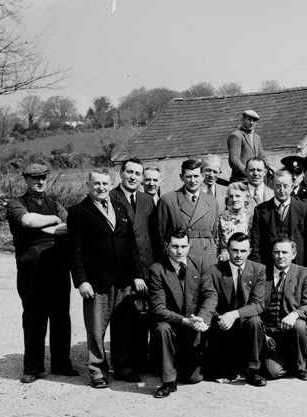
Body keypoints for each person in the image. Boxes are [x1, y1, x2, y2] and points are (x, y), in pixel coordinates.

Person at [68, 169, 146, 388]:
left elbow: (132, 246)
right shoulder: (78, 212)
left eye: (105, 184)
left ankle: (123, 367)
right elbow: (75, 251)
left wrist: (138, 275)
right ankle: (98, 371)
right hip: (96, 282)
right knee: (96, 329)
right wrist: (81, 280)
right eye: (96, 184)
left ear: (111, 184)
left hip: (123, 280)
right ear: (88, 185)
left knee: (123, 327)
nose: (101, 188)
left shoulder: (120, 208)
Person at [6, 163, 76, 383]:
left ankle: (61, 364)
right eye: (35, 178)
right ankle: (33, 368)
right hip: (31, 271)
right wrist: (54, 221)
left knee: (61, 318)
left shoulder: (54, 203)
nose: (41, 182)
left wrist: (51, 224)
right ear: (26, 180)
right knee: (35, 317)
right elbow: (26, 221)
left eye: (44, 177)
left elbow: (71, 225)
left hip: (57, 268)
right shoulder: (16, 204)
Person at [148, 228, 217, 398]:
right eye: (175, 246)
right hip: (172, 325)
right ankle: (168, 381)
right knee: (162, 328)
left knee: (191, 378)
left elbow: (210, 294)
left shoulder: (199, 263)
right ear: (166, 246)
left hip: (194, 325)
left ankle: (179, 364)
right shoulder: (157, 269)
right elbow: (158, 308)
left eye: (184, 246)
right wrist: (184, 321)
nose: (180, 251)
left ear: (189, 245)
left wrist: (202, 318)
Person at [109, 158, 157, 374]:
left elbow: (154, 235)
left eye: (138, 174)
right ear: (121, 173)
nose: (133, 177)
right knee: (122, 318)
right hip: (122, 267)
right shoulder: (110, 197)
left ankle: (139, 361)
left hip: (147, 266)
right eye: (129, 172)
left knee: (143, 317)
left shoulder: (147, 199)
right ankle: (122, 365)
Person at [207, 232, 267, 386]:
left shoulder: (258, 269)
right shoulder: (214, 271)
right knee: (222, 372)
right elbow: (208, 302)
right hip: (222, 325)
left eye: (243, 251)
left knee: (255, 321)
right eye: (234, 250)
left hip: (244, 323)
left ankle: (253, 371)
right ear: (228, 249)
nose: (238, 255)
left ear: (250, 251)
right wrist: (221, 318)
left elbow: (258, 304)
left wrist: (234, 315)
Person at [260, 234, 307, 381]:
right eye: (277, 252)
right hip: (270, 335)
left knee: (299, 324)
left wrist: (294, 314)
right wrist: (263, 335)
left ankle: (300, 365)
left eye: (284, 252)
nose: (280, 256)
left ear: (294, 254)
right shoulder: (262, 272)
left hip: (293, 333)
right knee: (272, 373)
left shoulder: (305, 273)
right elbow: (254, 305)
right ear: (272, 253)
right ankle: (285, 362)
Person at [250, 169, 307, 274]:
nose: (282, 190)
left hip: (298, 269)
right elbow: (256, 245)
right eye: (278, 186)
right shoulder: (260, 211)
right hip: (268, 269)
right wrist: (258, 272)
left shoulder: (304, 209)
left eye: (285, 186)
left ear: (292, 187)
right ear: (272, 186)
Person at [157, 159, 220, 267]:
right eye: (188, 176)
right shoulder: (168, 200)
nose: (192, 180)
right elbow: (161, 235)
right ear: (181, 177)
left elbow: (213, 233)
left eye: (196, 176)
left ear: (202, 177)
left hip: (207, 257)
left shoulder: (212, 201)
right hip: (180, 256)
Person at [216, 182, 254, 263]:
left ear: (246, 197)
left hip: (245, 260)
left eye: (238, 196)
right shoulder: (222, 217)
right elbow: (217, 241)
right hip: (225, 260)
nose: (234, 199)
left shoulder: (251, 217)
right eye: (231, 196)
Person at [228, 110, 268, 182]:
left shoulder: (256, 137)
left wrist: (270, 167)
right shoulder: (236, 136)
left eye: (254, 120)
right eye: (249, 119)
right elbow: (234, 160)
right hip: (241, 181)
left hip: (256, 180)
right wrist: (248, 173)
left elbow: (262, 157)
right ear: (243, 119)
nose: (252, 123)